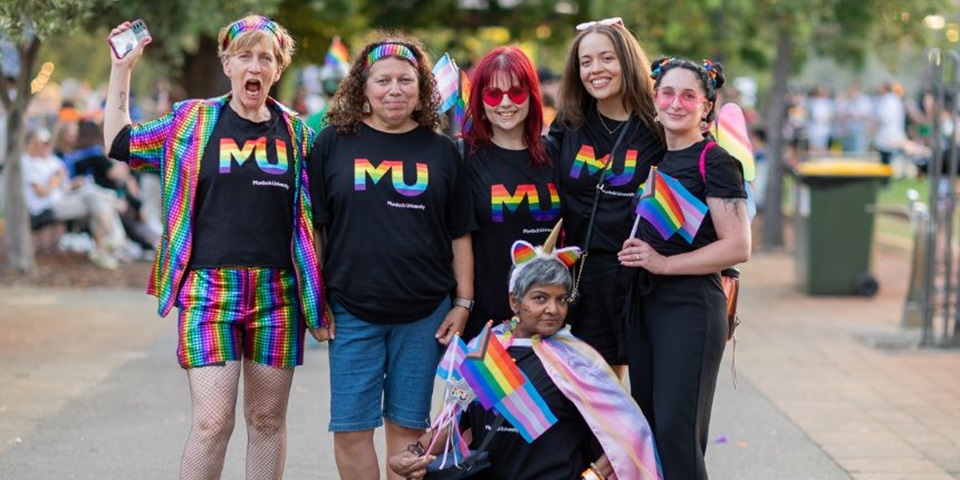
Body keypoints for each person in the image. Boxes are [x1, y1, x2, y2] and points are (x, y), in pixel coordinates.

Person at [102, 15, 327, 479]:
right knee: (211, 422)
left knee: (266, 421)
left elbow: (319, 220)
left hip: (278, 296)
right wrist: (121, 70)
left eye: (266, 57)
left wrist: (321, 299)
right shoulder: (192, 120)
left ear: (278, 69)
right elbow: (121, 143)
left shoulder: (298, 134)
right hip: (208, 292)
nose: (255, 65)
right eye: (244, 55)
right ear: (227, 63)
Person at [307, 30, 474, 479]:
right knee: (351, 429)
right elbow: (318, 228)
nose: (394, 89)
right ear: (362, 86)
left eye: (405, 79)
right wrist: (316, 297)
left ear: (422, 88)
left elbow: (460, 233)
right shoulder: (332, 143)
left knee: (408, 427)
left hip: (424, 313)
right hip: (350, 308)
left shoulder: (443, 151)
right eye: (382, 80)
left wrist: (463, 303)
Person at [389, 224, 662, 480]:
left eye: (561, 299)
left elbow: (631, 432)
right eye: (540, 298)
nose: (553, 309)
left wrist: (592, 477)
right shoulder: (484, 349)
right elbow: (455, 418)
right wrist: (414, 453)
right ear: (514, 301)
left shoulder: (579, 360)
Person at [619, 56, 751, 480]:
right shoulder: (655, 157)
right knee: (652, 431)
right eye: (667, 92)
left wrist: (663, 263)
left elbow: (738, 246)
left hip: (690, 310)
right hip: (645, 308)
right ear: (654, 98)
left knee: (678, 436)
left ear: (706, 106)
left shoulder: (713, 161)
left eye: (689, 95)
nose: (676, 103)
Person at [547, 17, 665, 374]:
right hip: (582, 274)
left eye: (607, 58)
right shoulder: (569, 123)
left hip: (640, 276)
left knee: (634, 394)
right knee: (592, 391)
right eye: (586, 62)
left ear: (627, 61)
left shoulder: (658, 127)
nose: (595, 69)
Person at [461, 45, 556, 341]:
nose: (505, 103)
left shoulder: (556, 153)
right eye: (493, 94)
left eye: (516, 92)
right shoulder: (462, 157)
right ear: (480, 99)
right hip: (484, 324)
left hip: (548, 322)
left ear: (532, 95)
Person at [21, 127, 126, 269]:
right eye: (42, 143)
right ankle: (113, 238)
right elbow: (43, 192)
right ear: (32, 144)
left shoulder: (52, 160)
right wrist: (56, 179)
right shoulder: (27, 162)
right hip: (48, 206)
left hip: (64, 198)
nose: (46, 147)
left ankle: (108, 245)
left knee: (93, 196)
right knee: (95, 199)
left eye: (47, 143)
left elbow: (64, 186)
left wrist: (74, 183)